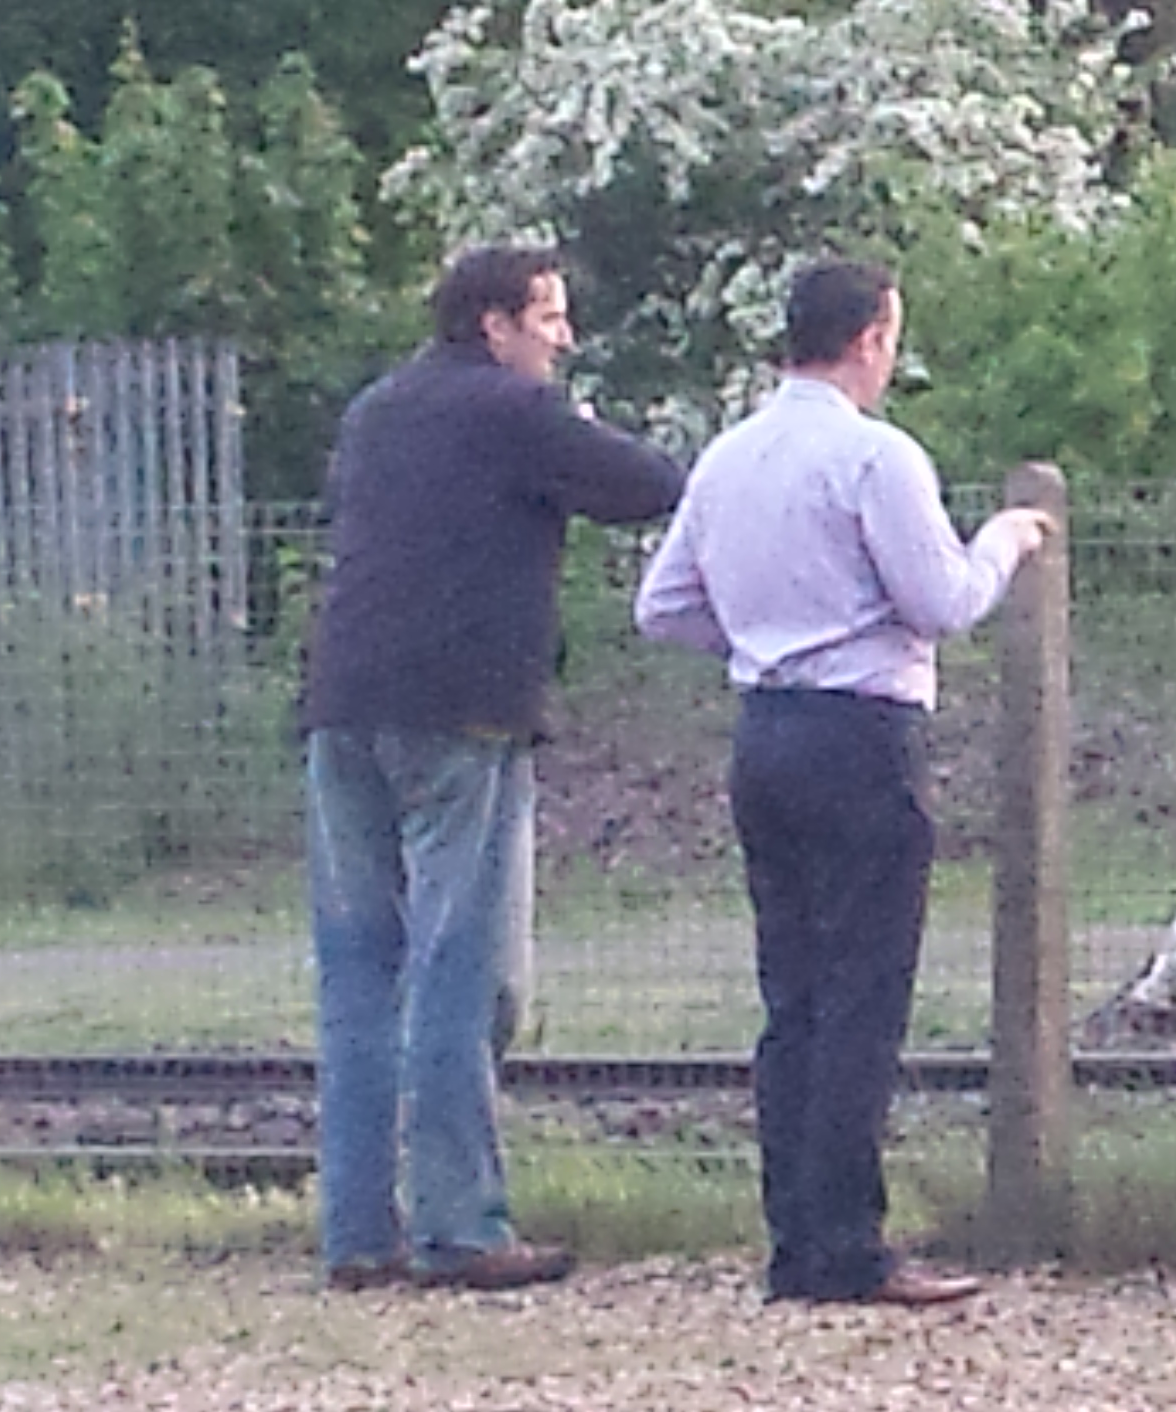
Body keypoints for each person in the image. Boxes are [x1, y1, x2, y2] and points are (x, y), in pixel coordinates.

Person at [634, 258, 1054, 1308]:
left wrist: (762, 635)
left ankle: (795, 1238)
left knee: (794, 994)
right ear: (869, 338)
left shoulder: (727, 457)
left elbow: (662, 605)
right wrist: (1003, 543)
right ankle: (848, 1242)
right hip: (860, 729)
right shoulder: (877, 456)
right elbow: (942, 601)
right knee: (864, 993)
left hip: (765, 728)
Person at [299, 243, 687, 1291]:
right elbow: (651, 486)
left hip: (341, 706)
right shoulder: (516, 411)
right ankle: (460, 1225)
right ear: (495, 324)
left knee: (358, 972)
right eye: (549, 317)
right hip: (462, 712)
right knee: (457, 967)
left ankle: (356, 1233)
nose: (563, 338)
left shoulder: (376, 409)